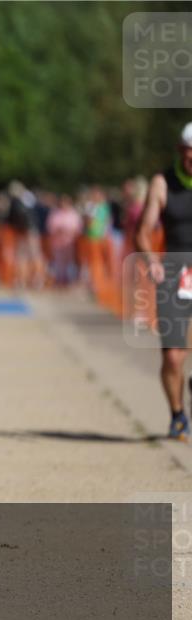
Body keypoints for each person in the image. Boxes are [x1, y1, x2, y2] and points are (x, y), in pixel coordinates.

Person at [135, 122, 192, 440]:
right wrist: (152, 261)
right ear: (180, 151)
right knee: (173, 356)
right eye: (190, 153)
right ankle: (178, 414)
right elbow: (143, 232)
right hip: (175, 273)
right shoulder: (162, 183)